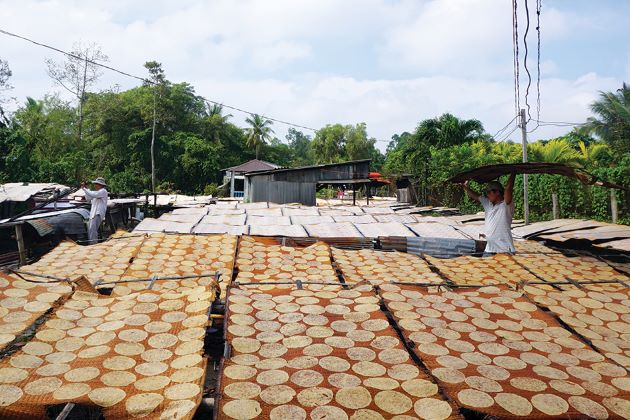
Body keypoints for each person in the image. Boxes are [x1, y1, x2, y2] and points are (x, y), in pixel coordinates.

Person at [461, 173, 516, 256]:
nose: (487, 195)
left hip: (505, 249)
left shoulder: (506, 205)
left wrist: (513, 172)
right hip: (489, 249)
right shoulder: (488, 204)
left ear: (497, 192)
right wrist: (465, 187)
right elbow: (475, 196)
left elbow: (508, 189)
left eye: (489, 192)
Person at [82, 177, 108, 244]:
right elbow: (88, 198)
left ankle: (93, 244)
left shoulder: (103, 191)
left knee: (92, 230)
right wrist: (86, 188)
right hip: (93, 214)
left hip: (98, 213)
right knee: (91, 229)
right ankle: (93, 243)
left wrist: (84, 189)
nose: (95, 185)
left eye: (97, 184)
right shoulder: (97, 192)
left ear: (101, 185)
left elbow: (93, 194)